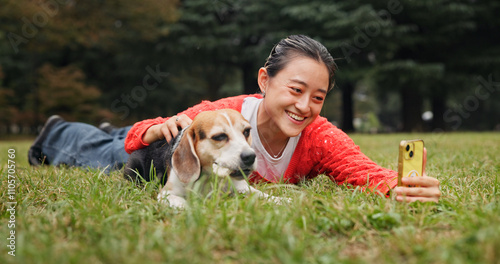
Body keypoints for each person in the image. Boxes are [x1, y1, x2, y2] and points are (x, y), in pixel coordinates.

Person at [29, 35, 441, 203]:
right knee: (108, 152)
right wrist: (149, 129)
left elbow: (363, 171)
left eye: (318, 97)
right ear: (265, 79)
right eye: (295, 90)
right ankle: (57, 132)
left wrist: (400, 186)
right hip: (168, 147)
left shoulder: (319, 137)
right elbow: (141, 141)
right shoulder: (225, 111)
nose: (304, 106)